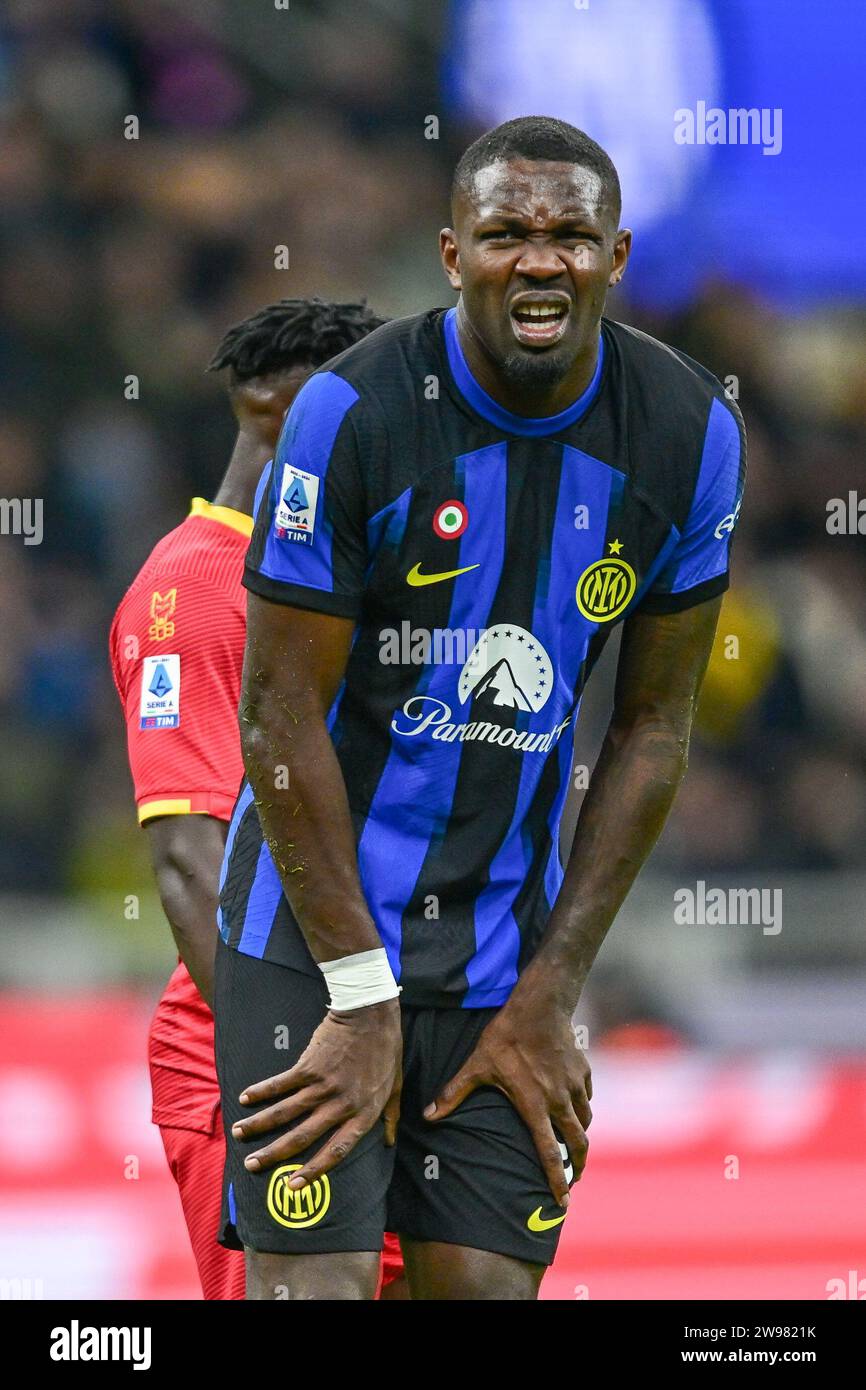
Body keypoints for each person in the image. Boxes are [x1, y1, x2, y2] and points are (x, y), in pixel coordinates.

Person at [216, 116, 747, 1301]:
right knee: (319, 1289)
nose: (539, 260)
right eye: (506, 232)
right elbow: (275, 715)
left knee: (484, 1290)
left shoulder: (686, 433)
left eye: (571, 236)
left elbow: (652, 726)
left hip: (503, 957)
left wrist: (555, 988)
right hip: (310, 942)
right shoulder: (352, 413)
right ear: (453, 253)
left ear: (615, 255)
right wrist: (360, 994)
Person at [109, 298, 405, 1299]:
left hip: (375, 1034)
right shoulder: (192, 592)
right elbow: (190, 861)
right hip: (276, 1055)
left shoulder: (344, 573)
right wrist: (288, 1055)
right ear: (292, 414)